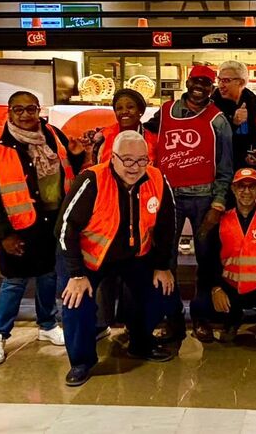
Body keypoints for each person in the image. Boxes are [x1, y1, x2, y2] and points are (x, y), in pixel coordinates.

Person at [56, 130, 179, 386]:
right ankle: (82, 362)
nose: (136, 167)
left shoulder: (157, 178)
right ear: (113, 158)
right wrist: (76, 274)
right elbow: (65, 228)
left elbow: (168, 226)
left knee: (158, 290)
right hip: (90, 259)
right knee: (75, 302)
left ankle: (141, 344)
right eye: (128, 160)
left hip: (136, 256)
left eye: (142, 160)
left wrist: (161, 266)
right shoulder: (92, 180)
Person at [0, 91, 85, 366]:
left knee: (48, 277)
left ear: (39, 110)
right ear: (9, 112)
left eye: (31, 109)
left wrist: (78, 156)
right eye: (18, 109)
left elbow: (69, 172)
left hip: (54, 221)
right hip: (18, 226)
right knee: (14, 282)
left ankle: (46, 325)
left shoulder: (53, 135)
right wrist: (3, 235)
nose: (25, 115)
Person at [146, 64, 234, 338]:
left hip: (203, 198)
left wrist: (218, 204)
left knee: (206, 260)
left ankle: (201, 316)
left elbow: (225, 167)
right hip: (168, 197)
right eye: (197, 81)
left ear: (213, 88)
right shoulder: (165, 112)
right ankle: (172, 317)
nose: (200, 87)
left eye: (206, 84)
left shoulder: (217, 119)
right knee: (164, 259)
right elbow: (144, 139)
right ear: (188, 81)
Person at [190, 167, 256, 344]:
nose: (246, 191)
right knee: (200, 306)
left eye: (251, 186)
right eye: (241, 186)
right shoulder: (221, 221)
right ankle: (232, 318)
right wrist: (216, 288)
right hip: (232, 287)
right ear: (233, 189)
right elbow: (210, 260)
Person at [88, 88, 158, 340]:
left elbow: (155, 174)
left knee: (135, 271)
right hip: (107, 213)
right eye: (119, 107)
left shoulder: (152, 138)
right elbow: (93, 170)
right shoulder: (103, 137)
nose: (124, 111)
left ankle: (132, 324)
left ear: (141, 111)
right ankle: (101, 322)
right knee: (105, 269)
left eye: (130, 107)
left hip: (139, 213)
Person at [214, 60, 256, 173]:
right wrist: (233, 123)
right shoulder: (211, 107)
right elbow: (209, 144)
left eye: (226, 80)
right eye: (219, 80)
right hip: (220, 177)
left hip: (250, 176)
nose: (220, 85)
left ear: (241, 82)